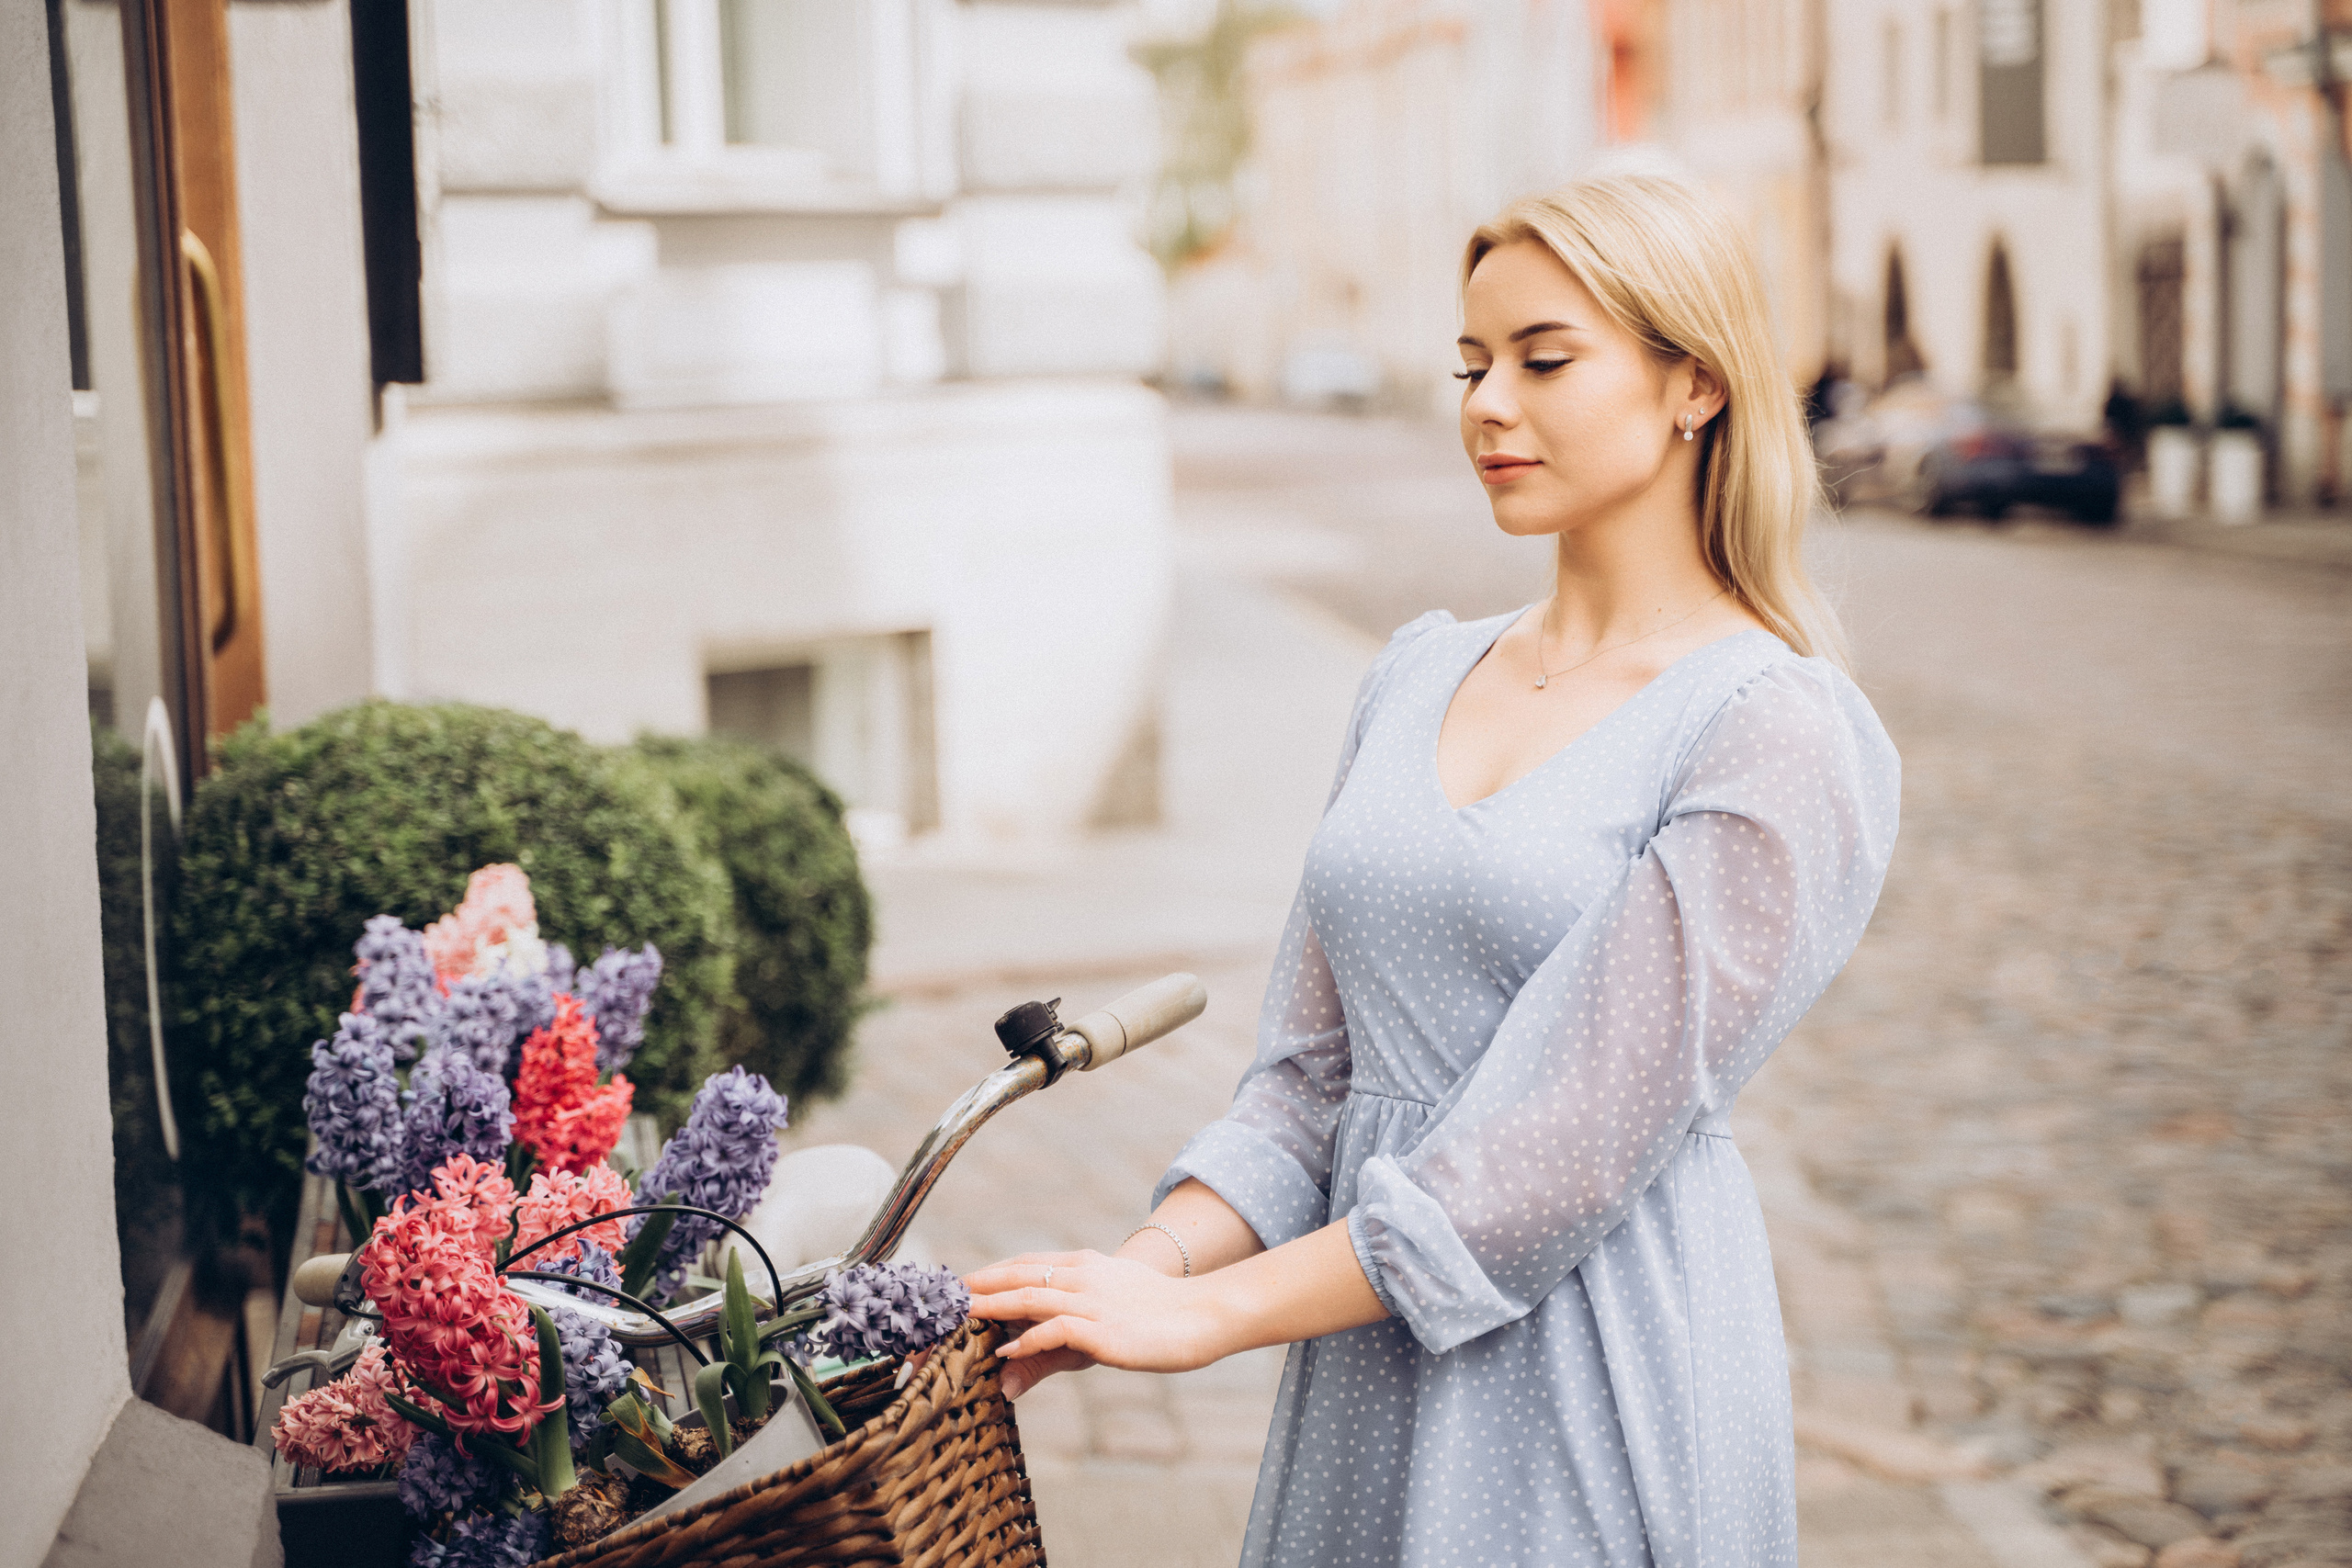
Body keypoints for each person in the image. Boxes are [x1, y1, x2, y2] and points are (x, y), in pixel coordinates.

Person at [967, 173, 1902, 1567]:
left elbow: (1560, 1150)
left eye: (1544, 359)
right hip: (1358, 1361)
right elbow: (1307, 1083)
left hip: (1593, 1362)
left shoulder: (1770, 730)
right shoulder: (1416, 673)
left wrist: (1207, 1319)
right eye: (1471, 364)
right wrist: (1139, 1273)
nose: (1487, 405)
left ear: (1693, 384)